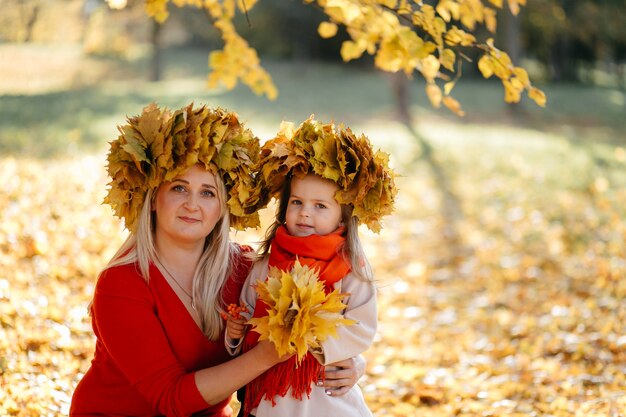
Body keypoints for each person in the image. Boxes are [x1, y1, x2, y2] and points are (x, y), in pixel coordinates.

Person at [70, 103, 365, 417]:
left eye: (208, 193)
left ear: (223, 207)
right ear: (153, 198)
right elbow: (170, 399)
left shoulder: (245, 270)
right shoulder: (121, 283)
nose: (192, 204)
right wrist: (267, 356)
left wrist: (352, 362)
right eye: (179, 188)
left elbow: (327, 315)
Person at [225, 117, 397, 417]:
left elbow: (362, 326)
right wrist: (236, 332)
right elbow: (249, 313)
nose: (305, 213)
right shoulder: (266, 264)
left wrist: (314, 343)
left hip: (321, 393)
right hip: (271, 395)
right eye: (296, 202)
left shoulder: (350, 268)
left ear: (341, 218)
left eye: (320, 206)